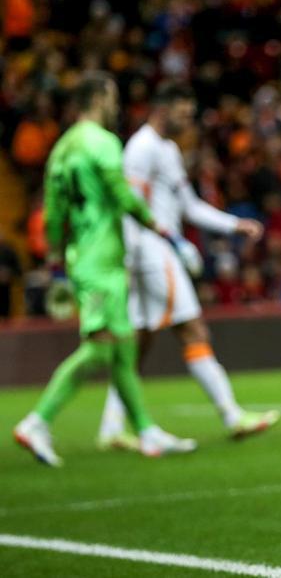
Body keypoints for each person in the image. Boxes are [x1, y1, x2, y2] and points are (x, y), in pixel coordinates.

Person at [13, 72, 197, 466]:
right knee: (99, 350)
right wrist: (160, 228)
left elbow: (53, 212)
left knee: (125, 348)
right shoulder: (103, 142)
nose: (115, 105)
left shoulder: (61, 149)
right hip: (102, 258)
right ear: (97, 98)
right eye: (112, 97)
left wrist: (54, 259)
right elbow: (122, 193)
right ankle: (37, 422)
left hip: (85, 254)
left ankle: (146, 431)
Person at [95, 84, 279, 451]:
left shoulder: (168, 149)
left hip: (160, 248)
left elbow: (189, 206)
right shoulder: (142, 148)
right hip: (152, 251)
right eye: (182, 112)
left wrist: (233, 224)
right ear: (161, 109)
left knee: (139, 345)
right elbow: (130, 205)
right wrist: (144, 252)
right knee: (192, 329)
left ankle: (111, 426)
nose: (187, 119)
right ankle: (231, 415)